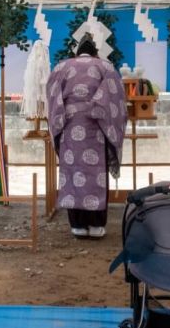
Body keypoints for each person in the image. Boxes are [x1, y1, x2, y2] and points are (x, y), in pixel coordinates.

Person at [46, 35, 127, 239]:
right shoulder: (106, 68)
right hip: (97, 128)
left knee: (73, 173)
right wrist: (98, 111)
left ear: (77, 52)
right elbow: (116, 98)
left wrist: (59, 122)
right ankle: (97, 226)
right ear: (94, 52)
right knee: (97, 173)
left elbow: (52, 97)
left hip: (69, 128)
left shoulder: (61, 67)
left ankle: (78, 226)